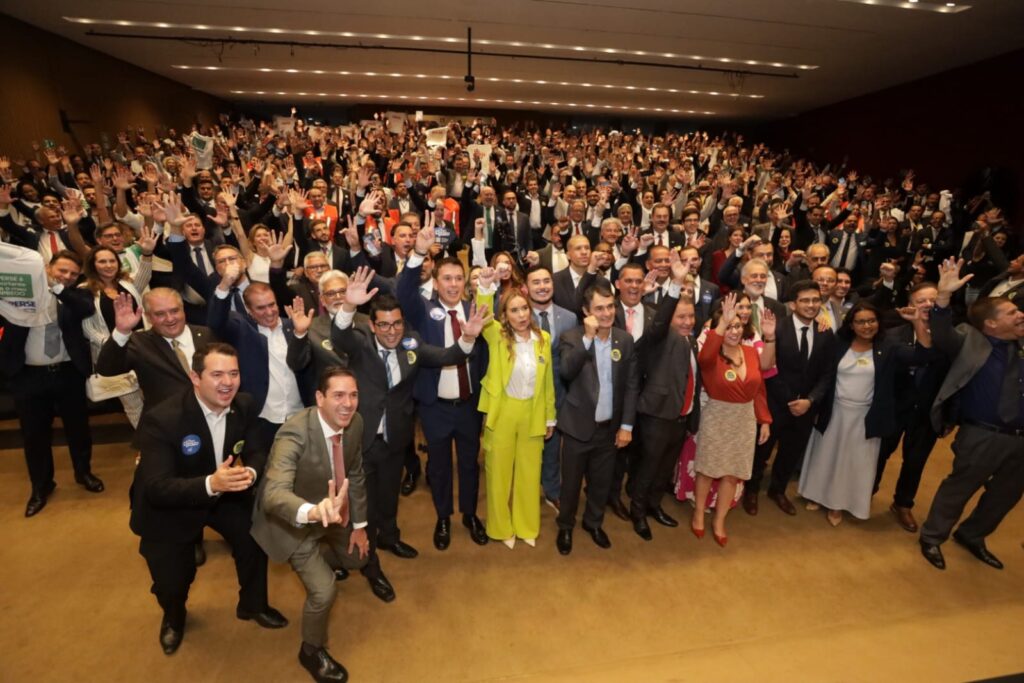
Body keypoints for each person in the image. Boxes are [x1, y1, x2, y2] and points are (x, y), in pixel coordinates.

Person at [331, 268, 483, 595]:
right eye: (384, 325)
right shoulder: (360, 345)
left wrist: (468, 337)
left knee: (389, 497)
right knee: (366, 507)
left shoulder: (411, 345)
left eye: (397, 324)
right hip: (364, 441)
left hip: (396, 439)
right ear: (373, 326)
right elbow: (340, 336)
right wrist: (348, 306)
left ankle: (390, 537)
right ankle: (371, 567)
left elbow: (447, 355)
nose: (391, 331)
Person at [131, 343, 287, 655]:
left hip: (223, 493)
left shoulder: (244, 405)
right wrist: (210, 483)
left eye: (233, 373)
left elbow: (257, 450)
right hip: (170, 504)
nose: (227, 382)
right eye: (217, 375)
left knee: (255, 536)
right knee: (172, 580)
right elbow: (157, 487)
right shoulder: (162, 419)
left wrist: (250, 473)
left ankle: (253, 605)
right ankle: (174, 617)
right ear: (195, 378)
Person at [250, 367, 370, 682]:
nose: (348, 403)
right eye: (338, 395)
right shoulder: (293, 432)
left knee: (359, 557)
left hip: (333, 511)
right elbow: (274, 495)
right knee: (324, 591)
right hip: (294, 521)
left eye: (353, 395)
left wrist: (360, 525)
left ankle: (324, 556)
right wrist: (313, 512)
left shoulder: (355, 422)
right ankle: (311, 650)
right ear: (319, 397)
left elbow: (355, 472)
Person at [919, 258, 1024, 571]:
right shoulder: (971, 340)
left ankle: (972, 534)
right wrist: (943, 296)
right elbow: (942, 334)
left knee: (1006, 494)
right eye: (1012, 313)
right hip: (982, 434)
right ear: (991, 323)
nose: (1020, 314)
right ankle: (932, 536)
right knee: (960, 486)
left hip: (1020, 439)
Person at [396, 225, 490, 550]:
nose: (453, 284)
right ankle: (443, 517)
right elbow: (403, 293)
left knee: (469, 463)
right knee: (438, 467)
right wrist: (419, 254)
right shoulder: (423, 311)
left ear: (465, 283)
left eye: (458, 278)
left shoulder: (475, 311)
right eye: (446, 279)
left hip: (468, 405)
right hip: (434, 406)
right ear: (436, 283)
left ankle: (469, 514)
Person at [799, 301, 933, 525]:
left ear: (879, 322)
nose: (867, 326)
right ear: (851, 324)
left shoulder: (889, 347)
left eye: (871, 321)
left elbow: (923, 355)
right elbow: (825, 375)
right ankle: (817, 495)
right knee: (824, 456)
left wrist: (918, 322)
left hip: (865, 416)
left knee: (852, 463)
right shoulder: (839, 342)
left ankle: (837, 504)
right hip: (834, 411)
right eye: (860, 322)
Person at [0, 249, 101, 517]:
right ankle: (41, 487)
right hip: (28, 375)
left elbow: (86, 309)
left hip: (68, 372)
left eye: (73, 274)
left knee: (78, 429)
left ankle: (83, 472)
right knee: (34, 435)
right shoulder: (19, 293)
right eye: (61, 271)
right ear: (47, 268)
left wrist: (57, 288)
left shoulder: (76, 296)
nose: (66, 276)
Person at [475, 266, 556, 547]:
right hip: (503, 412)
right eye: (514, 310)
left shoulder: (543, 339)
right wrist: (485, 288)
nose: (521, 315)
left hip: (533, 413)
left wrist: (550, 417)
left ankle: (526, 526)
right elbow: (483, 314)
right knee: (498, 473)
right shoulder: (497, 335)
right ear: (505, 315)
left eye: (524, 309)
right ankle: (500, 528)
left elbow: (548, 383)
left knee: (529, 473)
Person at [554, 283, 639, 555]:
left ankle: (593, 523)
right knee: (571, 484)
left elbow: (631, 386)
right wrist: (588, 339)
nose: (607, 313)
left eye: (610, 306)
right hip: (577, 427)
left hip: (609, 429)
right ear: (586, 311)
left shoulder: (624, 340)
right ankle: (566, 525)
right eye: (599, 308)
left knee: (601, 483)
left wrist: (626, 425)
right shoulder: (571, 337)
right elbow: (566, 371)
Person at [746, 280, 836, 516]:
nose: (811, 305)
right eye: (805, 300)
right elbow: (769, 370)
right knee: (761, 452)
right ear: (793, 304)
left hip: (806, 408)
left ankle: (778, 490)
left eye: (815, 300)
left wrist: (810, 400)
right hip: (775, 404)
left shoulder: (825, 332)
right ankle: (751, 490)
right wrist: (790, 400)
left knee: (791, 452)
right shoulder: (777, 328)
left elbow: (828, 373)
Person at [692, 293, 772, 546]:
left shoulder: (750, 352)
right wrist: (722, 323)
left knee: (732, 473)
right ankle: (698, 514)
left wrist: (764, 420)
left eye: (737, 326)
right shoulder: (711, 354)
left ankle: (720, 520)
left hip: (744, 420)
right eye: (729, 326)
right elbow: (704, 358)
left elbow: (758, 389)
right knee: (707, 469)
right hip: (717, 415)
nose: (734, 331)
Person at [629, 258, 700, 540]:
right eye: (681, 317)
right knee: (647, 468)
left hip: (680, 417)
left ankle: (654, 505)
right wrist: (676, 284)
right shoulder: (658, 337)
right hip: (656, 416)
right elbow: (659, 322)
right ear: (669, 317)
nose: (687, 322)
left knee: (664, 468)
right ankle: (637, 513)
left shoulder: (691, 340)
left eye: (691, 317)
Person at [873, 282, 950, 532]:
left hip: (928, 412)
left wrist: (950, 416)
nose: (927, 305)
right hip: (894, 407)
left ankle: (903, 504)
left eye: (932, 300)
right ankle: (866, 492)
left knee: (915, 461)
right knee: (879, 454)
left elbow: (958, 378)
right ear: (910, 305)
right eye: (921, 301)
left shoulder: (951, 337)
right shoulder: (892, 335)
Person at [79, 237, 155, 427]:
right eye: (102, 261)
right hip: (114, 354)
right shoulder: (85, 290)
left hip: (141, 349)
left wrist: (147, 254)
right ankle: (145, 442)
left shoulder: (127, 284)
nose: (108, 265)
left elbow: (144, 276)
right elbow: (87, 327)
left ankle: (160, 440)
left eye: (112, 260)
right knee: (133, 405)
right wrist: (111, 344)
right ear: (93, 265)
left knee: (154, 399)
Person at [523, 266, 577, 510]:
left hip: (558, 391)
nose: (542, 286)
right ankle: (526, 491)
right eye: (536, 282)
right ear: (526, 288)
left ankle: (552, 489)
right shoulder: (519, 315)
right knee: (526, 445)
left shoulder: (569, 317)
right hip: (525, 392)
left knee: (553, 444)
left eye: (546, 281)